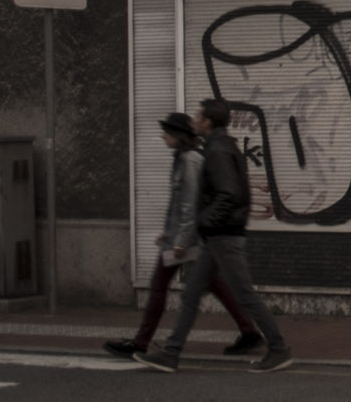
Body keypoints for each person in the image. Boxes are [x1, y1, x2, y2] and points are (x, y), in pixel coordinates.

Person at [135, 99, 293, 373]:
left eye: (198, 115)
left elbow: (228, 194)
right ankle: (171, 353)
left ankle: (278, 348)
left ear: (207, 121)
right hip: (215, 236)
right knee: (192, 294)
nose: (194, 119)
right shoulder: (217, 146)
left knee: (244, 295)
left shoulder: (217, 150)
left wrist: (204, 222)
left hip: (223, 236)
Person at [104, 113, 263, 359]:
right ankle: (249, 331)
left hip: (188, 240)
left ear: (178, 135)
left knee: (160, 286)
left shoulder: (190, 160)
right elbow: (178, 204)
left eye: (167, 132)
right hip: (185, 237)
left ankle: (142, 342)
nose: (162, 136)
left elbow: (190, 204)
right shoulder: (181, 158)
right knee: (215, 284)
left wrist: (179, 240)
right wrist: (168, 232)